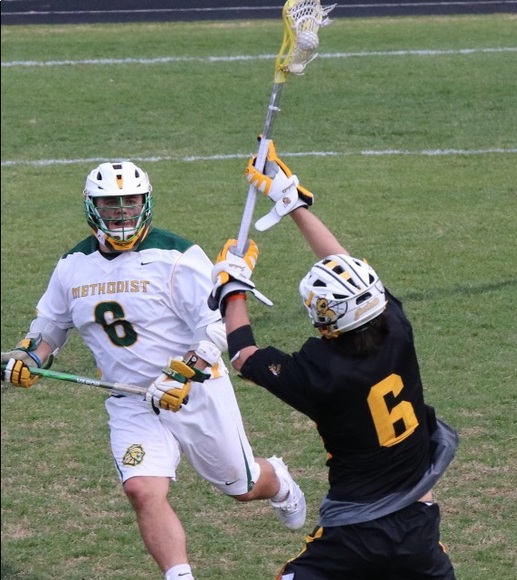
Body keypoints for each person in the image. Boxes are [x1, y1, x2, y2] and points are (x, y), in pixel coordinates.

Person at [1, 161, 306, 580]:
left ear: (145, 203)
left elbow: (216, 325)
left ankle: (280, 482)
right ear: (91, 206)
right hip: (130, 399)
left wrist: (184, 373)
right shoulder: (73, 263)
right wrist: (32, 355)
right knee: (142, 489)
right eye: (110, 203)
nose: (121, 211)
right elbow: (51, 324)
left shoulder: (177, 255)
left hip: (194, 390)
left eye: (130, 201)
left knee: (242, 486)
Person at [208, 140, 459, 579]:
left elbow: (245, 354)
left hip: (354, 532)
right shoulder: (396, 325)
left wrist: (232, 289)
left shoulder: (321, 370)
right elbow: (343, 264)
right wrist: (294, 204)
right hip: (418, 520)